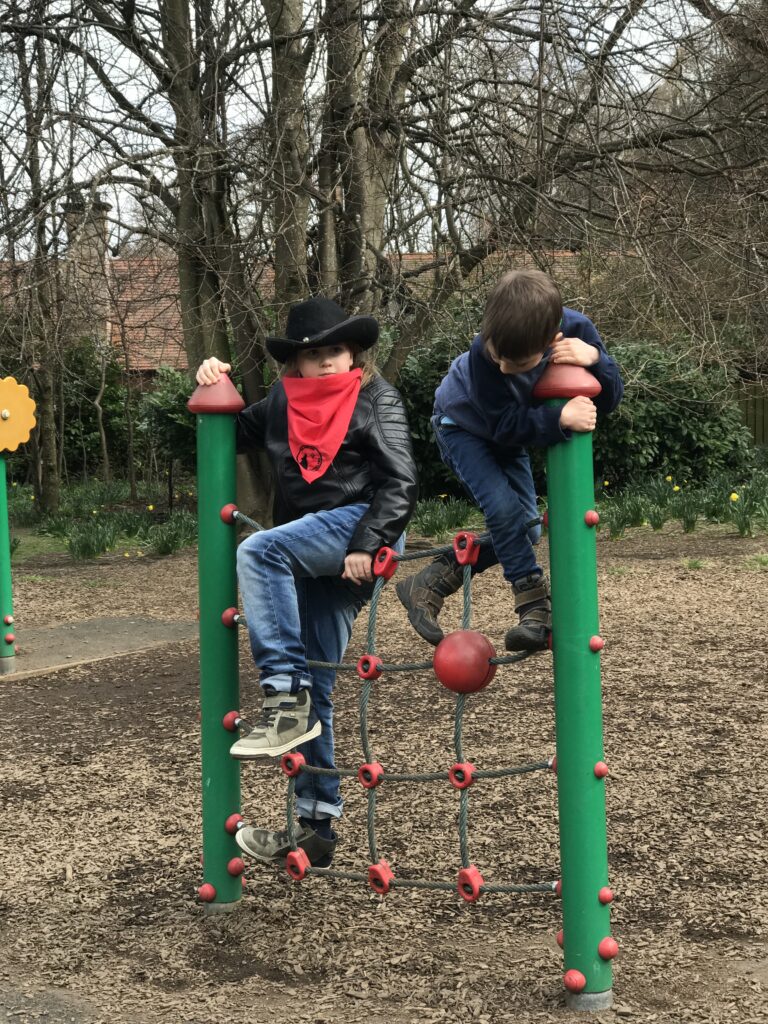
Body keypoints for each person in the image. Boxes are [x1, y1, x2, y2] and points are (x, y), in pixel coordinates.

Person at [195, 298, 418, 868]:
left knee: (260, 549)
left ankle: (280, 695)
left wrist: (369, 543)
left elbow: (400, 482)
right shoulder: (279, 405)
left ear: (354, 355)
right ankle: (317, 826)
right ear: (293, 364)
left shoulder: (376, 399)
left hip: (354, 527)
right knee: (319, 685)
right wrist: (210, 379)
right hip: (308, 550)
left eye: (334, 352)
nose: (323, 364)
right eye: (311, 355)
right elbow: (227, 427)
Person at [396, 269, 623, 651]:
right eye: (497, 357)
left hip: (510, 427)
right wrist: (557, 419)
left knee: (527, 531)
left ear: (552, 341)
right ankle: (533, 604)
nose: (503, 368)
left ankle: (433, 580)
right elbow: (502, 425)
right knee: (503, 511)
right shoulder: (482, 351)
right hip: (462, 425)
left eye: (516, 364)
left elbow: (611, 397)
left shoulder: (577, 331)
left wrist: (595, 358)